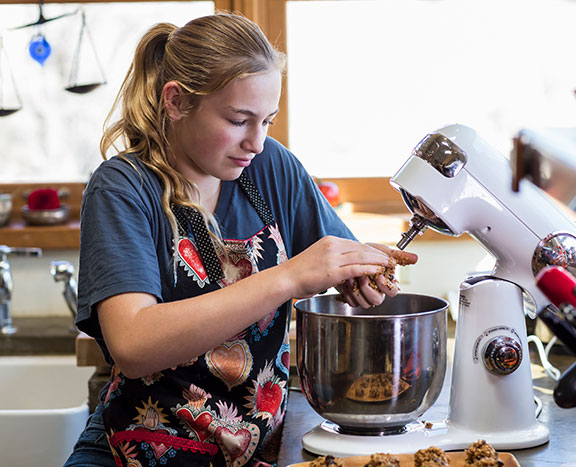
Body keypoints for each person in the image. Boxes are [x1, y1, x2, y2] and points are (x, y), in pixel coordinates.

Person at [64, 12, 417, 467]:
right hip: (137, 446)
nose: (256, 141)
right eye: (238, 119)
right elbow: (133, 345)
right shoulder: (124, 188)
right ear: (175, 101)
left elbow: (332, 261)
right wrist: (289, 277)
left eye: (267, 120)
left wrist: (359, 274)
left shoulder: (271, 169)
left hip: (251, 449)